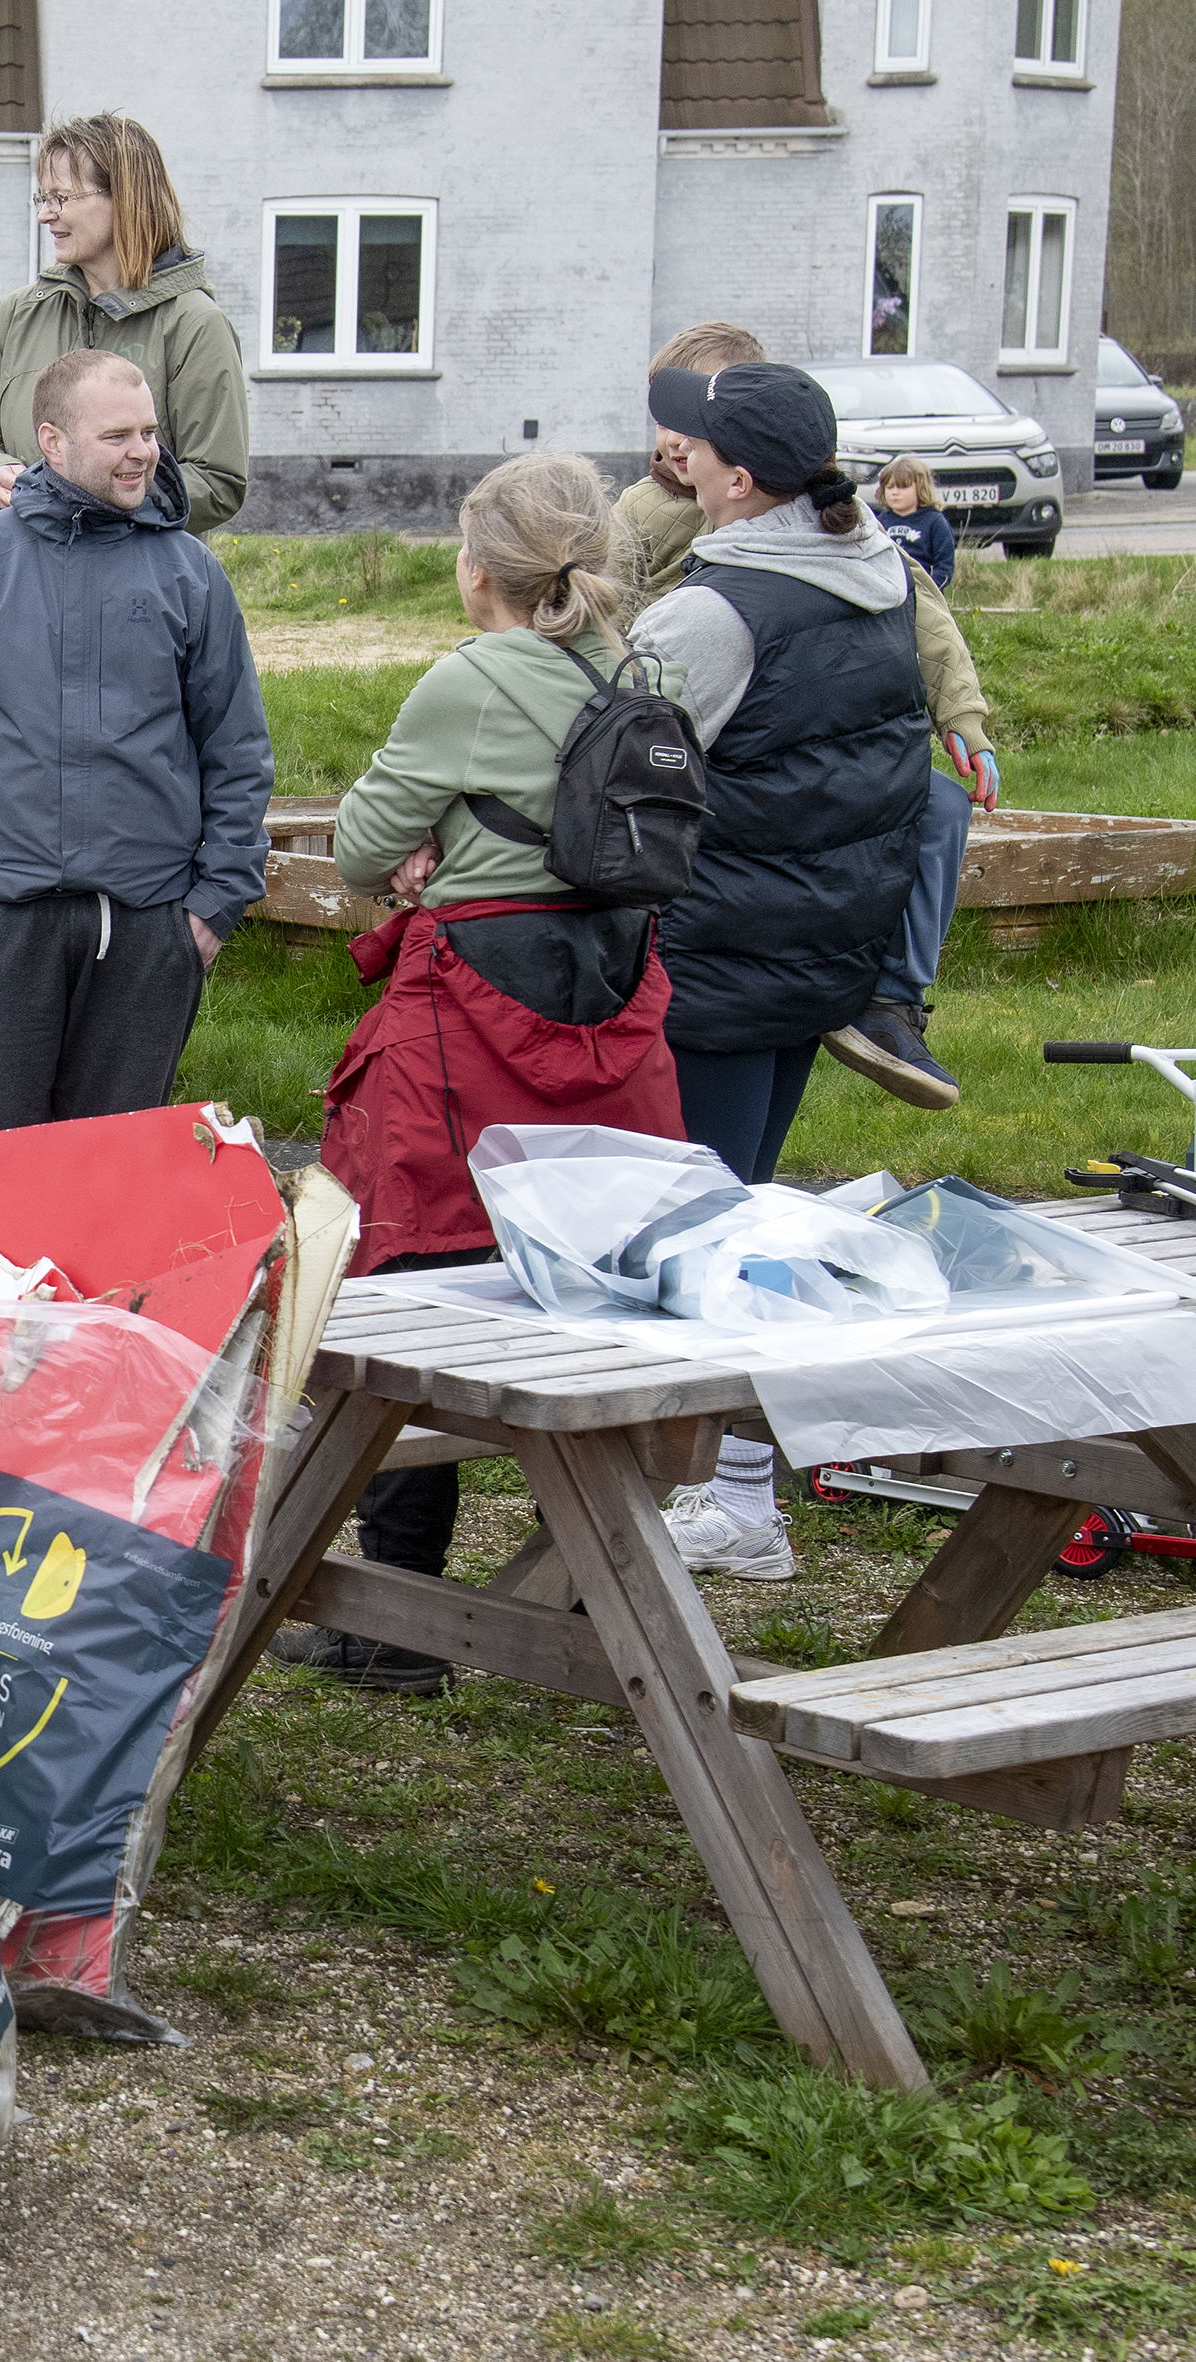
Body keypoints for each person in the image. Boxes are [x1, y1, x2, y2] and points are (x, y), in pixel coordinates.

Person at [277, 452, 689, 1692]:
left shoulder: (468, 678)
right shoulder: (633, 672)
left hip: (470, 1010)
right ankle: (591, 1588)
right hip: (612, 997)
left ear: (477, 572)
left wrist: (424, 855)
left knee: (405, 1279)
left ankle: (396, 1621)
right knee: (590, 1280)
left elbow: (358, 844)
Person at [631, 361, 935, 1584]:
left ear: (735, 475)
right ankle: (741, 1494)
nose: (674, 451)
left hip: (707, 955)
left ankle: (684, 1497)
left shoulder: (712, 612)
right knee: (747, 1214)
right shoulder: (879, 579)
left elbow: (610, 765)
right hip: (816, 956)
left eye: (693, 442)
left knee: (683, 1237)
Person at [0, 351, 274, 1136]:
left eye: (150, 432)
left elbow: (237, 750)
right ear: (52, 443)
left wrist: (215, 905)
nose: (143, 452)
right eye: (117, 434)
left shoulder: (191, 573)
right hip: (1, 921)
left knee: (113, 1189)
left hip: (148, 929)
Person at [615, 321, 995, 1111]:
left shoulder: (834, 551)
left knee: (936, 807)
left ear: (743, 473)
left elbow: (922, 611)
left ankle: (894, 997)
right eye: (672, 424)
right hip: (791, 897)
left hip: (733, 927)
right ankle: (878, 994)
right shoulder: (661, 518)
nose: (678, 444)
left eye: (702, 429)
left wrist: (960, 709)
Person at [0, 113, 249, 535]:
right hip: (24, 580)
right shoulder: (16, 316)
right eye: (42, 199)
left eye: (61, 198)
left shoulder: (195, 325)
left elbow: (218, 481)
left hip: (139, 586)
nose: (45, 215)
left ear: (124, 198)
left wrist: (87, 510)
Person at [872, 454, 955, 588]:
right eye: (890, 487)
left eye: (903, 487)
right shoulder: (880, 522)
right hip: (889, 589)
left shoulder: (935, 521)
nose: (895, 492)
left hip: (923, 592)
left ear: (921, 488)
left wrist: (931, 589)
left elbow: (944, 565)